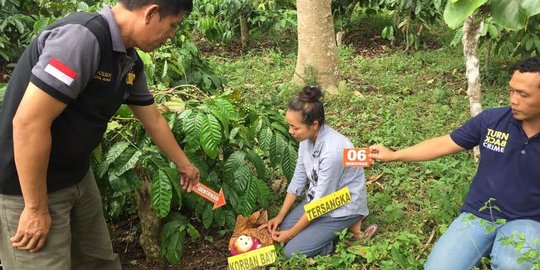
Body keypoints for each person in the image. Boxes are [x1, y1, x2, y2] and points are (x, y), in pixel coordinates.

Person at [0, 1, 200, 269]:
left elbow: (153, 119)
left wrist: (185, 165)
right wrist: (35, 208)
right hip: (29, 186)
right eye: (172, 25)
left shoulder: (128, 61)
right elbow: (28, 123)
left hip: (78, 176)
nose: (172, 34)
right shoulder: (82, 39)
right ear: (151, 12)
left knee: (99, 262)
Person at [369, 57, 540, 269]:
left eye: (523, 94)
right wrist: (394, 155)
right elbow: (443, 144)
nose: (514, 99)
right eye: (511, 91)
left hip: (528, 221)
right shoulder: (492, 120)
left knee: (512, 265)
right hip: (479, 214)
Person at [264, 85, 369, 258]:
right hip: (322, 199)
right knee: (281, 230)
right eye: (289, 126)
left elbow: (320, 204)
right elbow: (298, 178)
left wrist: (290, 235)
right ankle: (331, 231)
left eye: (295, 127)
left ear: (314, 124)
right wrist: (280, 216)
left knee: (292, 251)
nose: (290, 131)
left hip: (342, 204)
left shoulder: (333, 151)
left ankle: (346, 229)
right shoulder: (305, 139)